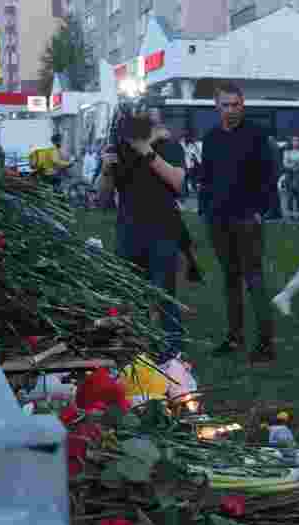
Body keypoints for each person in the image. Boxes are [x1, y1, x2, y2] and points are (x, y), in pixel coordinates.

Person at [98, 110, 187, 363]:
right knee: (130, 294)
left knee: (164, 294)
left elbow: (178, 182)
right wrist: (106, 170)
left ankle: (172, 353)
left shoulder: (168, 147)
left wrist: (146, 151)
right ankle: (135, 351)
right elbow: (102, 199)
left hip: (163, 230)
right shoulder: (118, 151)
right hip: (129, 231)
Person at [199, 81, 277, 363]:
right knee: (230, 280)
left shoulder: (256, 135)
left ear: (242, 104)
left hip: (247, 219)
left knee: (254, 279)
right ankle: (234, 338)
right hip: (218, 219)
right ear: (216, 106)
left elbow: (270, 175)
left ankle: (266, 343)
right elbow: (206, 177)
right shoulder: (211, 137)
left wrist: (260, 211)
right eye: (225, 104)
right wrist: (206, 208)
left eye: (236, 104)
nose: (231, 110)